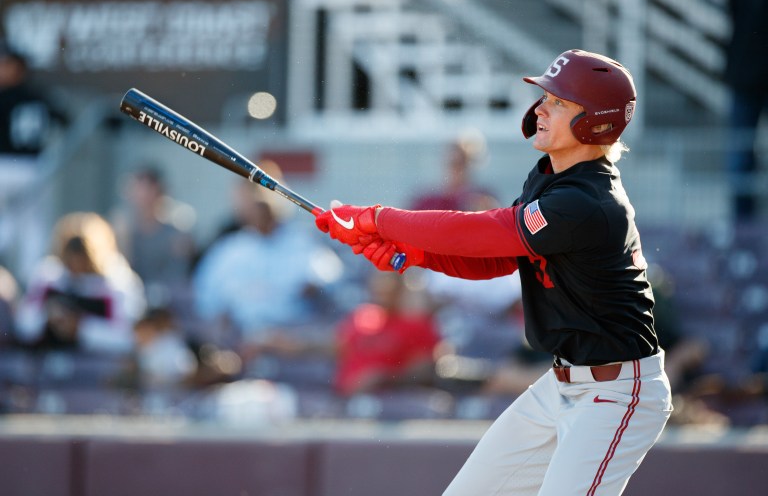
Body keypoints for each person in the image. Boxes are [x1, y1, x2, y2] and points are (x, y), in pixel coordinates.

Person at [315, 49, 672, 495]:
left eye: (558, 102)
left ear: (595, 120)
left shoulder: (589, 201)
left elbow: (482, 231)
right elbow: (498, 259)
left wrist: (378, 219)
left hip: (617, 393)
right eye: (545, 97)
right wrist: (408, 255)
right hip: (561, 383)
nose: (540, 108)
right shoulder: (551, 176)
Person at [191, 172, 344, 365]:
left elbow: (330, 278)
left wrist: (312, 287)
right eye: (253, 203)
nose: (259, 210)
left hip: (292, 340)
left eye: (264, 202)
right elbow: (207, 300)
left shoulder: (301, 240)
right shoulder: (230, 249)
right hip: (243, 342)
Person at [15, 212, 146, 353]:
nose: (76, 265)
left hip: (100, 369)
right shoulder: (48, 276)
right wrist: (48, 317)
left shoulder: (119, 284)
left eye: (83, 256)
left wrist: (81, 328)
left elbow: (129, 338)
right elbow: (22, 325)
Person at [0, 42, 63, 281]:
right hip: (33, 169)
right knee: (29, 228)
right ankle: (30, 281)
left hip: (7, 166)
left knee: (16, 225)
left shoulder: (6, 96)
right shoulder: (39, 95)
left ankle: (29, 284)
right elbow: (64, 118)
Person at [334, 269, 441, 396]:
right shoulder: (361, 317)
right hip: (342, 398)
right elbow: (337, 349)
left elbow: (424, 372)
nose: (384, 285)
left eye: (390, 280)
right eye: (380, 280)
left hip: (389, 400)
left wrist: (385, 378)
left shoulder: (417, 325)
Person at [111, 165, 196, 307]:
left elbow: (178, 279)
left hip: (167, 306)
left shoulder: (177, 233)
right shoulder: (121, 229)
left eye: (147, 190)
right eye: (136, 190)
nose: (141, 198)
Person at [723, 0, 768, 221]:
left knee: (740, 156)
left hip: (744, 70)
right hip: (744, 73)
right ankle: (742, 226)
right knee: (740, 155)